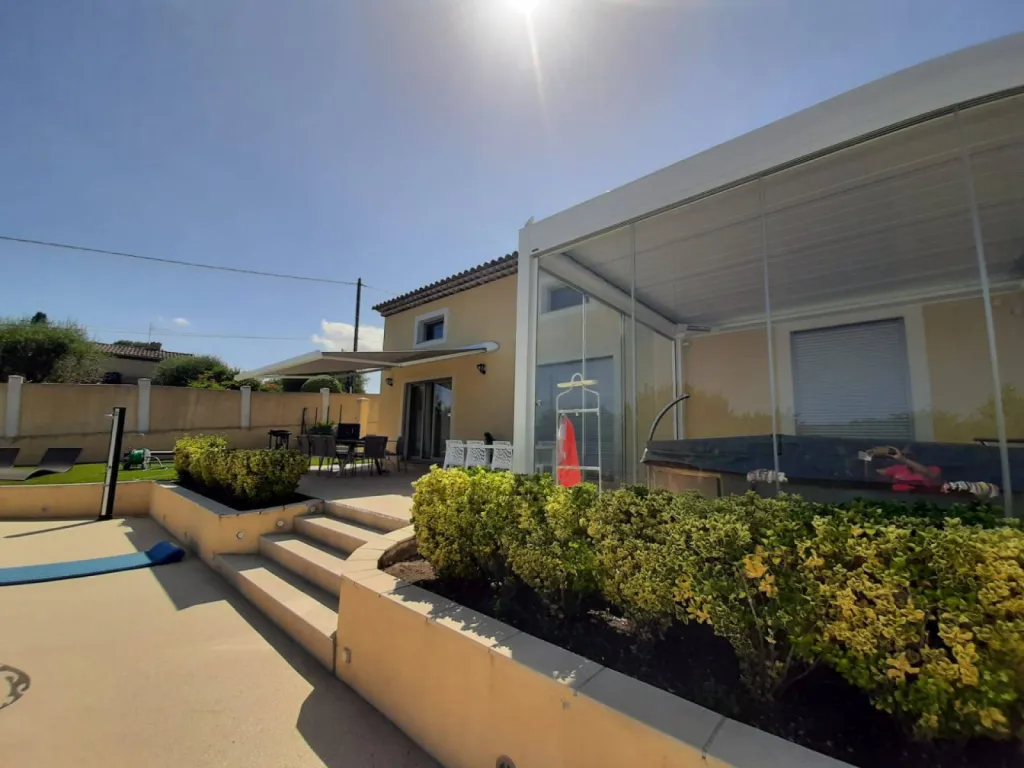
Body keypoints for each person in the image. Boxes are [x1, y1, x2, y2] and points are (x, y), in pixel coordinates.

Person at [868, 445, 942, 492]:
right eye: (903, 455)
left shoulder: (933, 469)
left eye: (908, 455)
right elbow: (874, 474)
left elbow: (929, 473)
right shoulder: (897, 468)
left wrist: (902, 459)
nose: (905, 457)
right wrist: (869, 457)